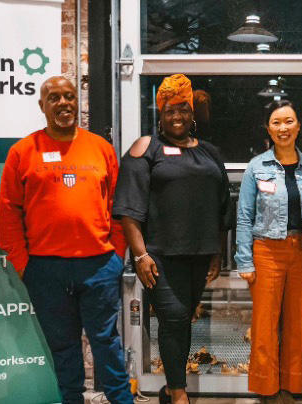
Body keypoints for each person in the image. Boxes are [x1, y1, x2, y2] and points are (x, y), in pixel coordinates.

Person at [0, 76, 132, 404]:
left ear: (77, 101)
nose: (63, 103)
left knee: (106, 342)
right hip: (46, 270)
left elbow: (118, 206)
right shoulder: (22, 152)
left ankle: (122, 400)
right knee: (64, 347)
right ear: (42, 105)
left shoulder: (100, 148)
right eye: (54, 97)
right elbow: (8, 212)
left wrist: (117, 255)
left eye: (69, 96)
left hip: (99, 266)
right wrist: (24, 264)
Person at [113, 74, 232, 404]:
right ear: (160, 114)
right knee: (174, 318)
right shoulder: (146, 147)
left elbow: (222, 205)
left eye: (183, 109)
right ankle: (179, 394)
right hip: (160, 255)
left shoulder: (209, 152)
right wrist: (140, 255)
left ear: (192, 113)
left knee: (184, 319)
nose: (177, 116)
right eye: (170, 110)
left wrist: (216, 253)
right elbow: (128, 208)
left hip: (199, 255)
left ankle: (170, 389)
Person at [236, 99, 302, 403]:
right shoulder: (257, 167)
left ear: (298, 127)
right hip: (266, 251)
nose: (283, 128)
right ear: (268, 129)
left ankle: (289, 387)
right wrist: (244, 260)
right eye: (276, 122)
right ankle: (267, 389)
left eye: (288, 121)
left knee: (297, 324)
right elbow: (244, 216)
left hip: (301, 252)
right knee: (265, 326)